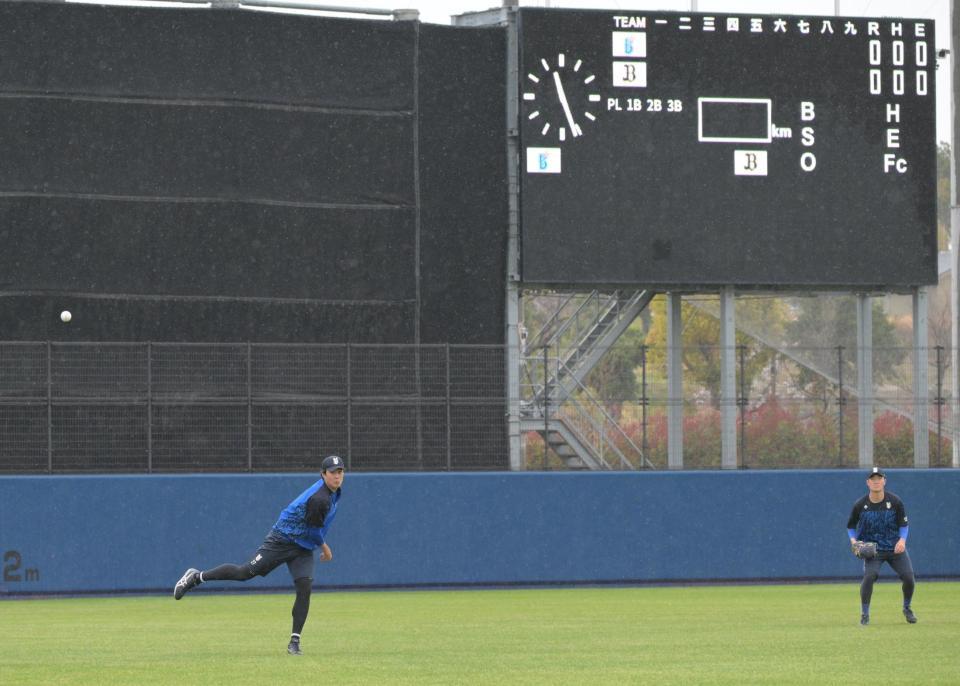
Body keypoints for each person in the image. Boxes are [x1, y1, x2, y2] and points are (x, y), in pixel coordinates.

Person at [173, 454, 345, 655]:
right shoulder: (319, 498)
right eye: (333, 472)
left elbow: (313, 530)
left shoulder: (334, 492)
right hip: (282, 540)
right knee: (245, 572)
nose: (337, 476)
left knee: (304, 587)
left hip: (303, 547)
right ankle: (196, 577)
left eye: (340, 471)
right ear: (323, 474)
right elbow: (315, 530)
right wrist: (325, 548)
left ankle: (294, 642)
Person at [846, 467, 916, 626]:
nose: (876, 481)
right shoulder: (860, 504)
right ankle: (865, 614)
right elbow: (850, 527)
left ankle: (907, 608)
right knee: (870, 577)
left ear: (884, 481)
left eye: (879, 478)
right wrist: (853, 541)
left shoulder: (895, 501)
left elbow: (903, 524)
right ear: (868, 483)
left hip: (894, 548)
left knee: (909, 578)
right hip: (873, 550)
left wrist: (902, 541)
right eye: (873, 479)